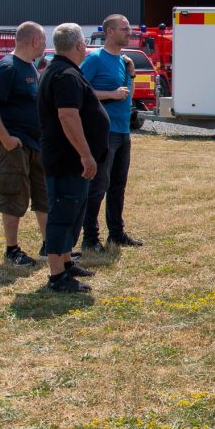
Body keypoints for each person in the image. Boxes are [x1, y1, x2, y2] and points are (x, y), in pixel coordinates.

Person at [38, 23, 109, 293]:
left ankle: (66, 263)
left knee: (71, 211)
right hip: (68, 159)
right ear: (79, 45)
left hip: (67, 158)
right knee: (63, 214)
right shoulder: (65, 75)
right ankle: (58, 275)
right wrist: (86, 155)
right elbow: (68, 116)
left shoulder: (59, 71)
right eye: (85, 44)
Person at [0, 21, 49, 267]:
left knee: (43, 193)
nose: (45, 45)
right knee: (14, 193)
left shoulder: (30, 67)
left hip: (35, 143)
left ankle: (49, 245)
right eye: (43, 40)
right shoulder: (7, 68)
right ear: (34, 41)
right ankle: (12, 249)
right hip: (14, 145)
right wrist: (6, 139)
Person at [80, 14, 143, 252]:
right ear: (109, 32)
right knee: (98, 186)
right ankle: (90, 239)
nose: (129, 33)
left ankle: (116, 233)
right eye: (124, 29)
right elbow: (81, 91)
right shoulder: (96, 59)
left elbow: (129, 93)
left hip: (123, 130)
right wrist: (110, 95)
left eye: (129, 29)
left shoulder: (124, 61)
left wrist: (133, 73)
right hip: (104, 132)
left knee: (118, 185)